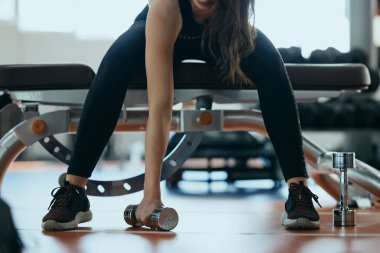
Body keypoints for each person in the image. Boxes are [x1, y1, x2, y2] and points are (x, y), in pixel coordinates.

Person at [42, 0, 321, 231]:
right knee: (113, 65)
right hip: (159, 27)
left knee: (273, 66)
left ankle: (298, 190)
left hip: (220, 36)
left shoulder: (234, 12)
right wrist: (151, 196)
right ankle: (74, 190)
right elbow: (161, 106)